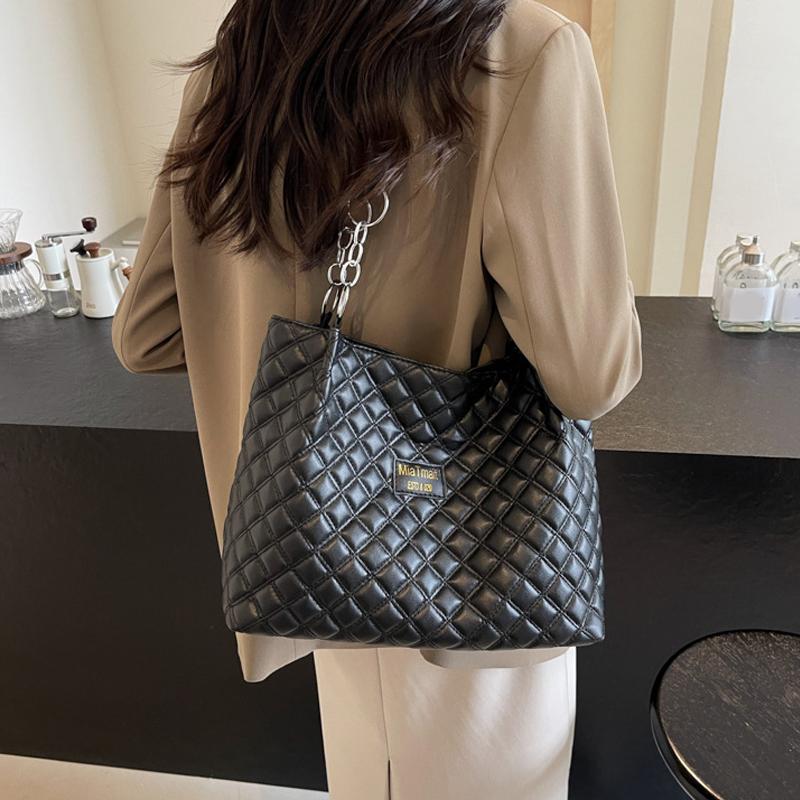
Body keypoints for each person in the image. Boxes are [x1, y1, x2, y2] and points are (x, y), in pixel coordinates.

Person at [111, 1, 642, 798]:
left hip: (319, 555)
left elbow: (147, 333)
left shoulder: (238, 58)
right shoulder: (523, 51)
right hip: (479, 570)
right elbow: (591, 373)